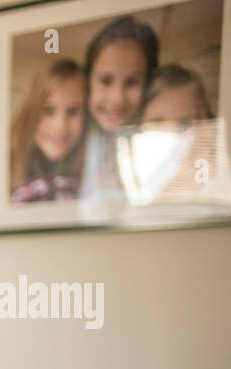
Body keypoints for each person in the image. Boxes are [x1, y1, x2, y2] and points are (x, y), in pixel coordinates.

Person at [77, 15, 159, 218]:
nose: (117, 99)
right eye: (105, 80)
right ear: (87, 82)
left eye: (132, 82)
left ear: (148, 83)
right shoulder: (72, 139)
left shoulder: (157, 149)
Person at [9, 57, 87, 203]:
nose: (61, 125)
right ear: (30, 113)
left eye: (73, 111)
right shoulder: (4, 172)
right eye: (48, 110)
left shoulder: (95, 180)